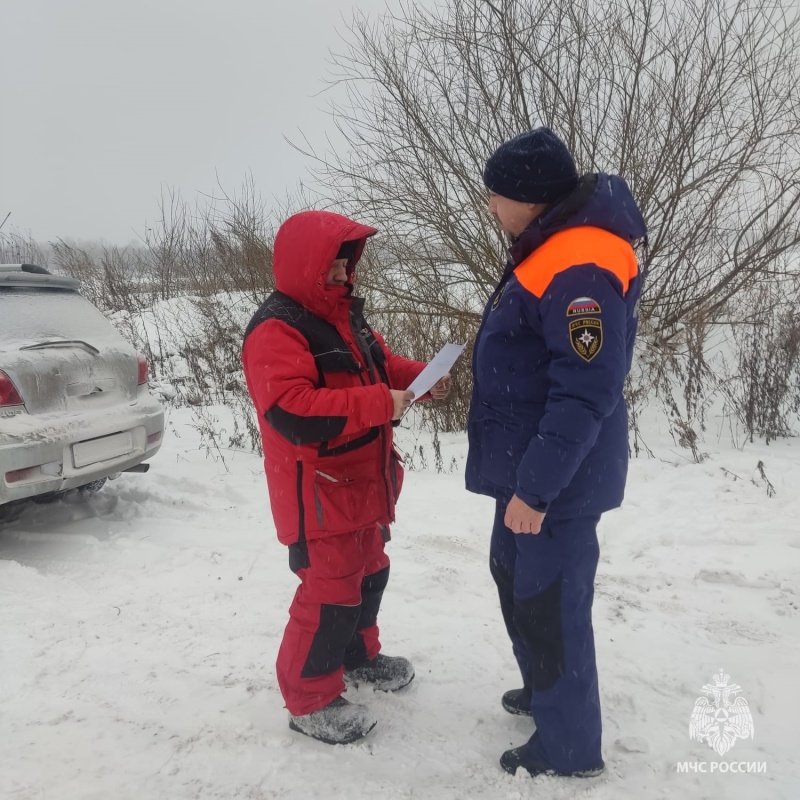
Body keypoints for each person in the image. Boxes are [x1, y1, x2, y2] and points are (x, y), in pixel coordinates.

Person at [465, 128, 647, 777]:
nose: (489, 207)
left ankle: (568, 748)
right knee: (514, 579)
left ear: (530, 196)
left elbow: (585, 388)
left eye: (495, 195)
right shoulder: (549, 248)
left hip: (555, 483)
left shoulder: (579, 266)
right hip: (529, 472)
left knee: (551, 605)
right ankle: (547, 692)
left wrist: (537, 489)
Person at [242, 209, 450, 746]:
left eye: (347, 264)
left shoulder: (345, 317)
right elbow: (293, 409)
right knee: (330, 593)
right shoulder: (276, 328)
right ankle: (309, 698)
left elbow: (382, 365)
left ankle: (357, 656)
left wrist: (423, 380)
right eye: (335, 265)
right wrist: (385, 403)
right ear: (307, 265)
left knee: (369, 574)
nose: (345, 274)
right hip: (318, 492)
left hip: (365, 482)